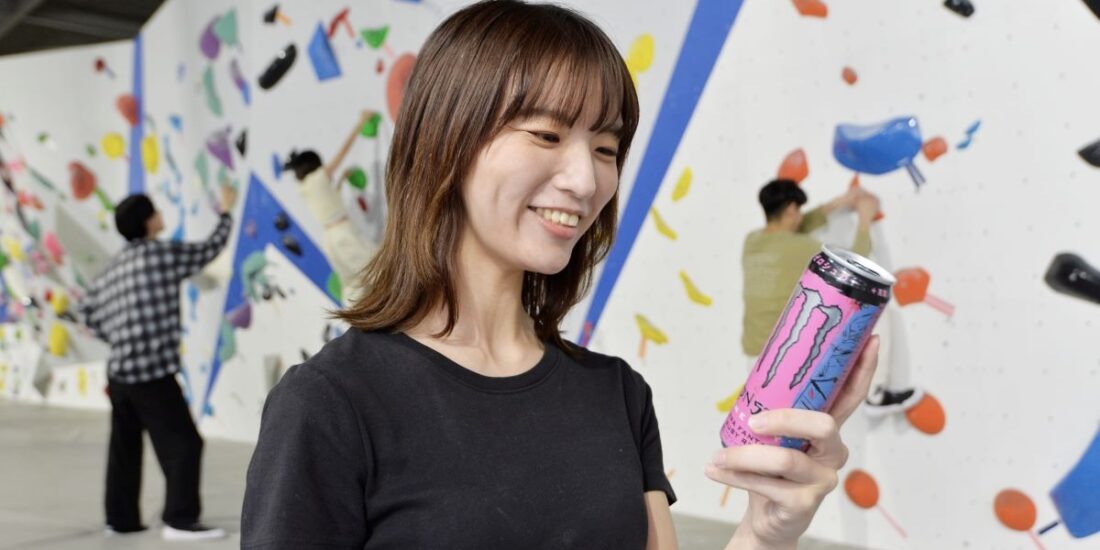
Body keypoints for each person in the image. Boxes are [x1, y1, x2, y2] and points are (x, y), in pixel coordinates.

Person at [241, 2, 880, 548]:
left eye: (605, 148)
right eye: (546, 135)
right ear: (445, 142)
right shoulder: (330, 404)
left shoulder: (618, 394)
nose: (586, 180)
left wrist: (765, 531)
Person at [79, 185, 237, 541]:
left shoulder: (114, 266)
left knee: (124, 448)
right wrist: (226, 211)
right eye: (155, 211)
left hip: (119, 374)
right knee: (185, 444)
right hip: (150, 372)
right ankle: (180, 520)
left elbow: (85, 310)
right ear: (148, 222)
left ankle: (120, 521)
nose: (161, 215)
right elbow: (209, 248)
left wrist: (117, 335)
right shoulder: (161, 255)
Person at [741, 179, 922, 415]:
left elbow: (799, 224)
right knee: (876, 312)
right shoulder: (802, 246)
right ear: (792, 210)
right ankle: (876, 393)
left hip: (754, 354)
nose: (801, 216)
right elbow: (855, 265)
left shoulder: (752, 241)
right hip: (787, 356)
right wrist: (865, 219)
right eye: (798, 211)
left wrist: (840, 202)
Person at [284, 110, 380, 305]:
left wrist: (342, 179)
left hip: (329, 239)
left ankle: (354, 316)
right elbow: (343, 152)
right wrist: (360, 123)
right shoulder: (319, 177)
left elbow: (329, 200)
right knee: (376, 267)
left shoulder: (304, 187)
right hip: (343, 233)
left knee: (353, 284)